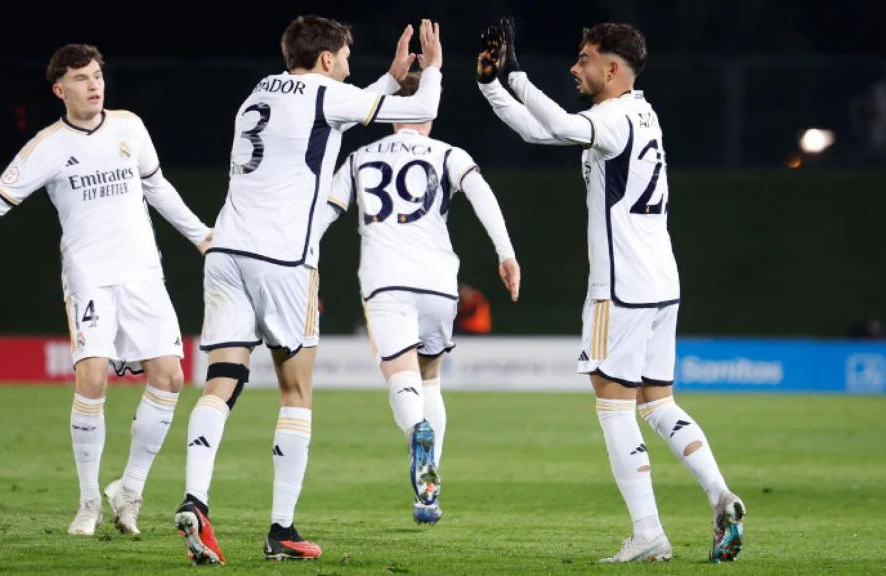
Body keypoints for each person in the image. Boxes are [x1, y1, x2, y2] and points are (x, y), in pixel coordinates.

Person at [174, 16, 444, 564]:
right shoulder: (328, 92)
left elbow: (333, 112)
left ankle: (195, 499)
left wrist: (389, 79)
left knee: (221, 380)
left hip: (226, 249)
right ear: (326, 60)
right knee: (295, 391)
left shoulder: (257, 93)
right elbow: (414, 113)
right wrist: (431, 70)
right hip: (285, 259)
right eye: (345, 55)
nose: (349, 66)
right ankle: (282, 530)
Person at [476, 19, 745, 563]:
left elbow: (559, 123)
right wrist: (491, 85)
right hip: (661, 280)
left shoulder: (615, 116)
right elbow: (541, 131)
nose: (576, 68)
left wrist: (517, 74)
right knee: (659, 402)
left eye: (584, 59)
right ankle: (721, 495)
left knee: (614, 408)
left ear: (613, 68)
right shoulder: (640, 112)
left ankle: (648, 534)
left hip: (620, 287)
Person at [0, 44, 211, 538]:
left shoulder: (130, 127)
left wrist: (202, 236)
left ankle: (129, 489)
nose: (94, 84)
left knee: (169, 379)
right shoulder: (49, 145)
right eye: (82, 78)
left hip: (143, 274)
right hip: (89, 278)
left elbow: (158, 186)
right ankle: (88, 503)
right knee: (94, 380)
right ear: (60, 90)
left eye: (98, 75)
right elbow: (0, 195)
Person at [320, 70, 520, 525]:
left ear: (394, 111)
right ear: (428, 107)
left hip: (385, 280)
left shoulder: (360, 156)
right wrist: (506, 254)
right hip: (438, 282)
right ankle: (429, 493)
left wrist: (303, 264)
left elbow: (326, 213)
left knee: (399, 376)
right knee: (430, 377)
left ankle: (417, 432)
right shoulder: (449, 153)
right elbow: (481, 193)